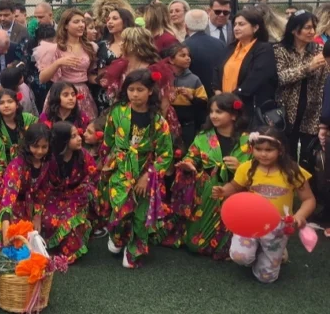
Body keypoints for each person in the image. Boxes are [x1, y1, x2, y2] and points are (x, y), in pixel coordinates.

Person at [213, 128, 316, 283]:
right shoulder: (247, 168)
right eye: (258, 149)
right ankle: (257, 249)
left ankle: (277, 252)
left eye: (269, 150)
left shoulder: (293, 171)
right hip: (251, 221)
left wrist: (299, 216)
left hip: (278, 226)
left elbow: (309, 199)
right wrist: (223, 191)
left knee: (266, 278)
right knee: (240, 257)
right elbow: (234, 187)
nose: (263, 154)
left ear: (280, 150)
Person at [101, 69, 173, 269]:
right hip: (121, 169)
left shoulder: (159, 122)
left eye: (140, 90)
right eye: (131, 89)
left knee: (141, 216)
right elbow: (108, 140)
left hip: (145, 172)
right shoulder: (117, 112)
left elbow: (165, 155)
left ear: (150, 91)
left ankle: (135, 250)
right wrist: (105, 163)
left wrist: (147, 176)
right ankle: (117, 237)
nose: (134, 94)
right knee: (120, 209)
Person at [169, 93, 250, 259]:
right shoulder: (203, 137)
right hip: (207, 193)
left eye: (219, 112)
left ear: (234, 115)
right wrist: (189, 164)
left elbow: (260, 171)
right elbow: (191, 156)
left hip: (237, 193)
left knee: (237, 248)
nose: (213, 115)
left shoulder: (248, 141)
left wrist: (240, 167)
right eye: (211, 111)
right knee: (194, 245)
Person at [274, 11, 327, 168]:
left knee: (308, 157)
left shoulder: (319, 49)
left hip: (312, 111)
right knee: (285, 155)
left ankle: (308, 188)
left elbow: (325, 81)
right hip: (286, 111)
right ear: (293, 30)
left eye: (314, 27)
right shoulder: (280, 50)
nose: (312, 31)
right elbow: (282, 77)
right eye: (307, 28)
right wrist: (308, 67)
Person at [43, 121, 97, 263]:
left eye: (78, 134)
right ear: (63, 141)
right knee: (49, 220)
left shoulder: (83, 155)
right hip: (54, 196)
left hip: (78, 196)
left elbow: (94, 176)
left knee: (70, 222)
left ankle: (69, 250)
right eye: (73, 136)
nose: (80, 138)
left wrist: (85, 189)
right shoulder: (49, 159)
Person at [212, 8, 278, 122]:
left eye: (241, 24)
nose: (236, 28)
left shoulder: (264, 49)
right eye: (235, 24)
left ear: (255, 27)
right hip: (225, 107)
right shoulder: (230, 48)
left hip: (248, 109)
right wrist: (218, 92)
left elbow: (256, 78)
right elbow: (217, 70)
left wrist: (230, 99)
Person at [0, 123, 54, 243]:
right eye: (35, 146)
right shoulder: (16, 165)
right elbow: (8, 200)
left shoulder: (46, 163)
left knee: (52, 222)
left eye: (44, 147)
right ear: (27, 145)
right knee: (17, 234)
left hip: (32, 205)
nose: (40, 151)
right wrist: (6, 235)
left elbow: (43, 191)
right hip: (12, 205)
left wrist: (37, 215)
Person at [37, 9, 98, 121]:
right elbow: (42, 78)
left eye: (82, 22)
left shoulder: (91, 47)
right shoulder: (54, 48)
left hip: (82, 93)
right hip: (61, 93)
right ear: (65, 26)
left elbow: (90, 74)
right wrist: (58, 63)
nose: (81, 25)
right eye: (76, 22)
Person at [162, 43, 208, 150]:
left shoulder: (194, 79)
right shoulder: (164, 78)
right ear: (171, 60)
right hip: (167, 124)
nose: (188, 59)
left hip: (187, 125)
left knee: (185, 150)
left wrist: (191, 97)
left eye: (188, 56)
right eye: (182, 56)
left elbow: (204, 103)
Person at [96, 8, 135, 112]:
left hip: (132, 94)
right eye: (108, 19)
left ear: (125, 21)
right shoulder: (102, 46)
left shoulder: (135, 45)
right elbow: (100, 74)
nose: (110, 22)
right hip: (107, 96)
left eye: (115, 18)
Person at [184, 9, 226, 98]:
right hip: (216, 95)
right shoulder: (220, 44)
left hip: (192, 96)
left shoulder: (182, 47)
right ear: (206, 24)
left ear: (185, 26)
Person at [0, 89, 38, 160]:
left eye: (10, 101)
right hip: (2, 162)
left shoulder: (28, 119)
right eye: (2, 103)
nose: (6, 105)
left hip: (28, 159)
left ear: (17, 104)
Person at [28, 23, 57, 114]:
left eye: (52, 41)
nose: (48, 45)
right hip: (38, 87)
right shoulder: (34, 53)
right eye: (45, 41)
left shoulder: (58, 51)